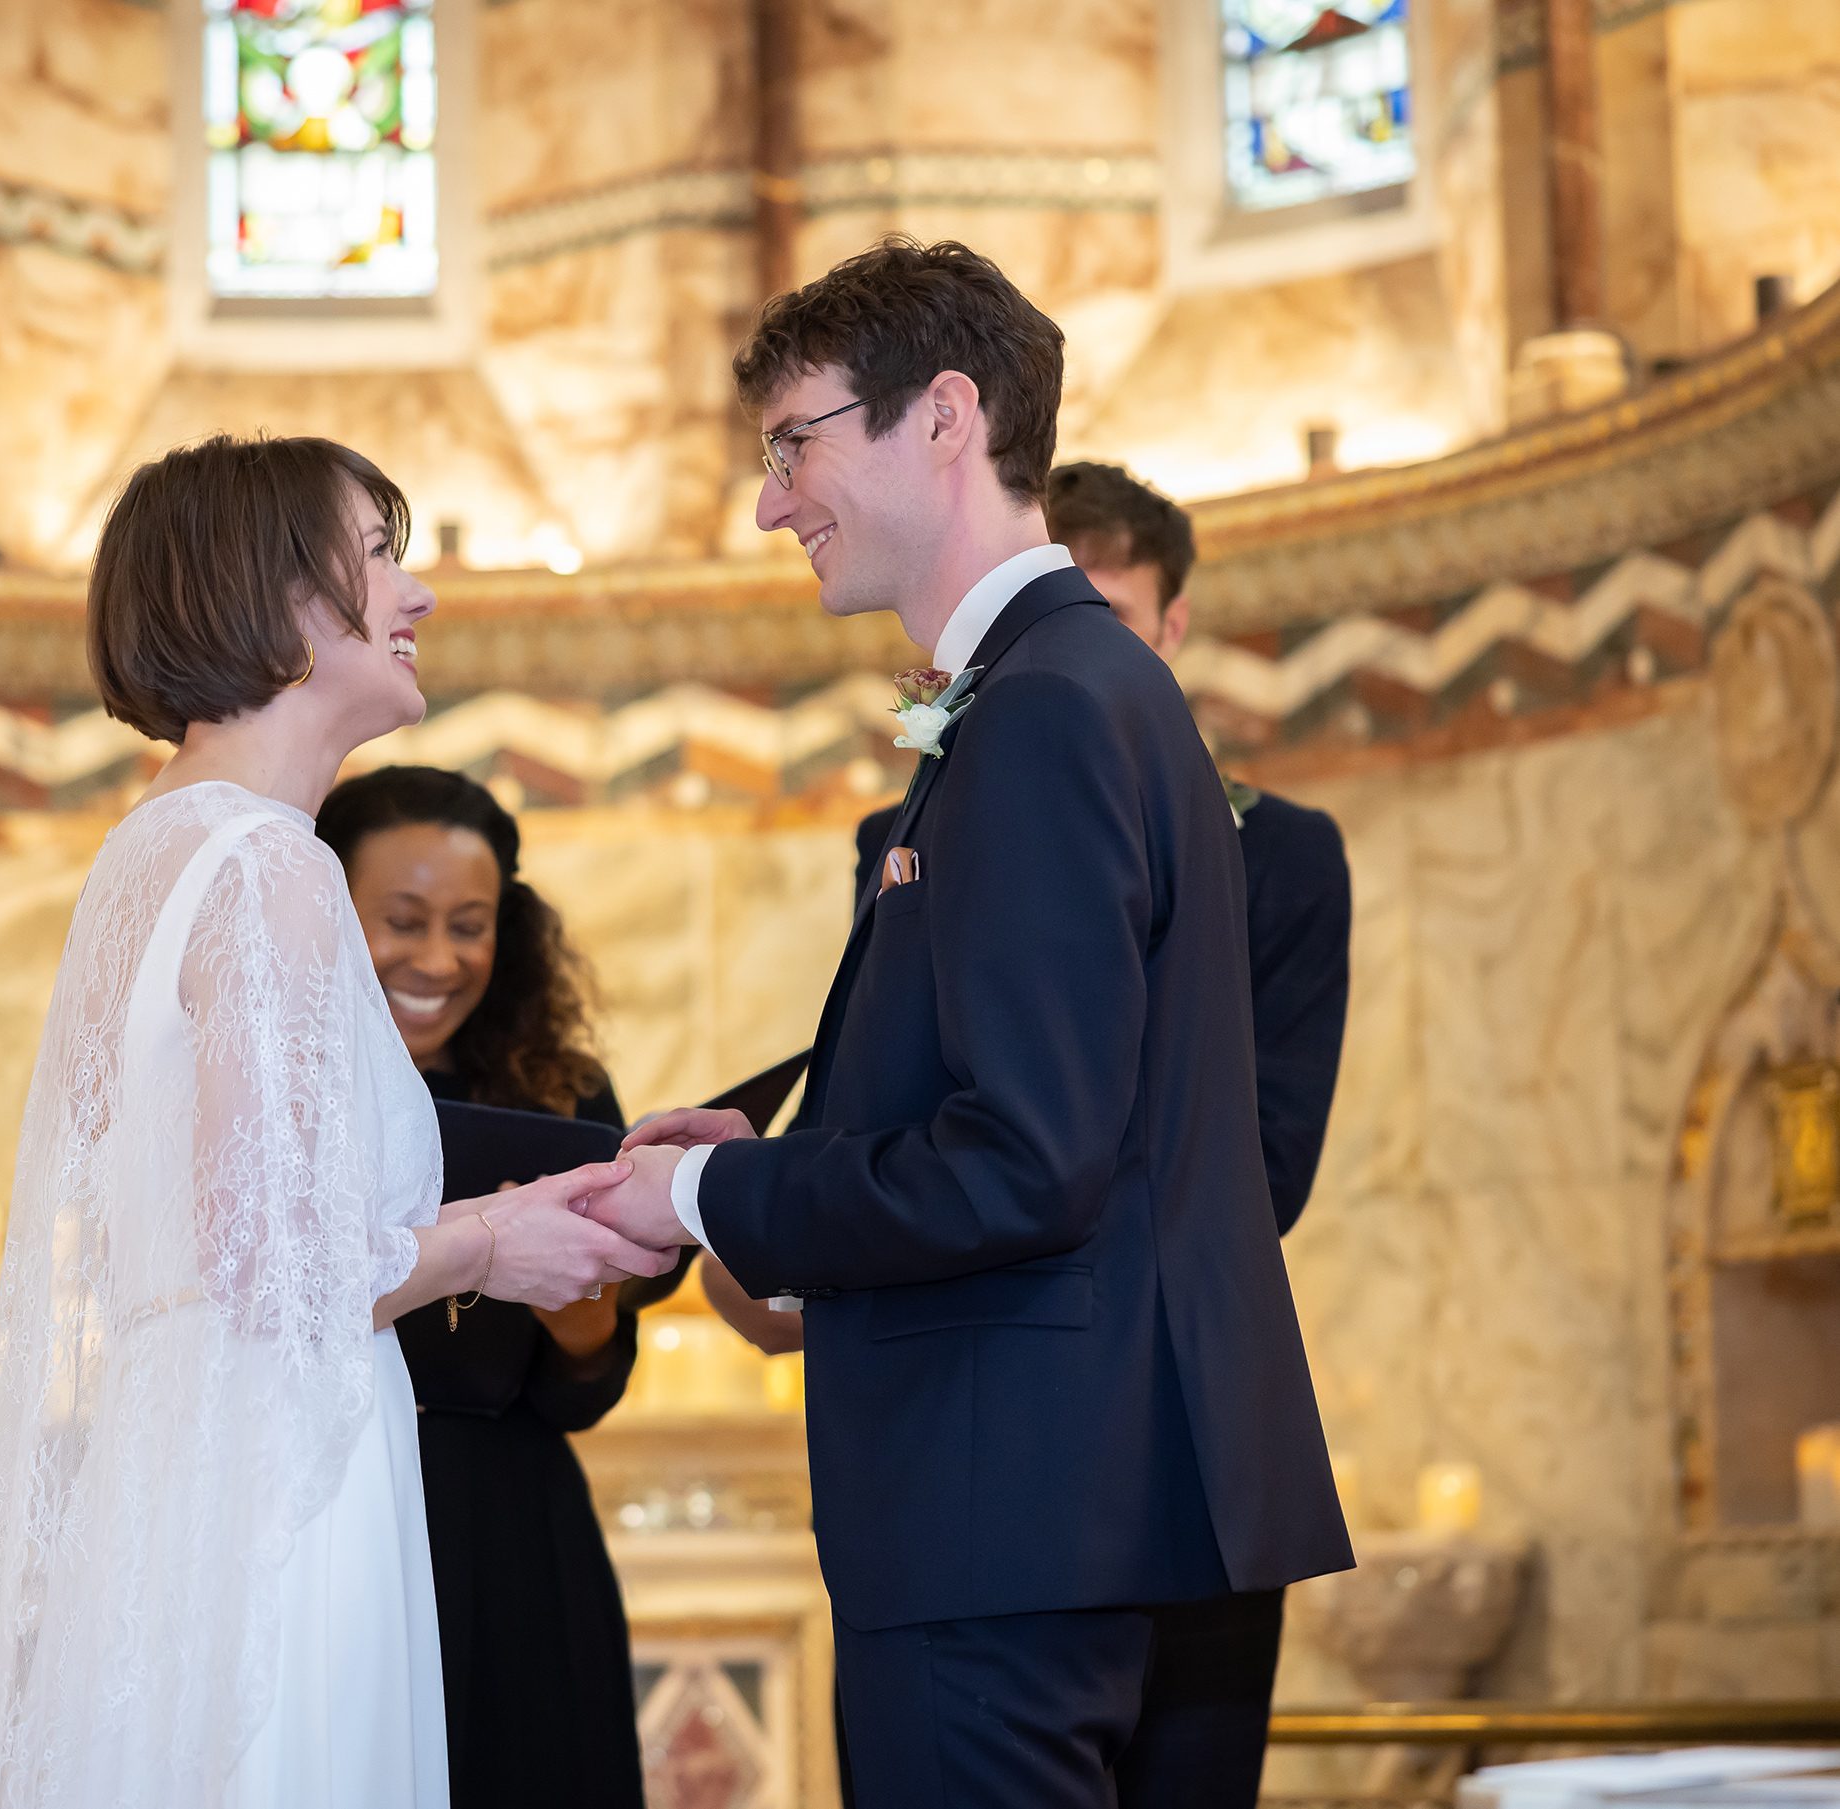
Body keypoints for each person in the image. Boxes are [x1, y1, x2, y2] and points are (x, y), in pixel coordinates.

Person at [586, 238, 1353, 1809]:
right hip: (1103, 1502)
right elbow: (1082, 1107)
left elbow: (1025, 1158)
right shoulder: (1079, 689)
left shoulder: (1045, 709)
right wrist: (790, 1145)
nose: (770, 501)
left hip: (1013, 1518)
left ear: (943, 417)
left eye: (794, 443)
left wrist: (703, 1196)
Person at [0, 435, 671, 1809]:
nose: (417, 593)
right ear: (275, 602)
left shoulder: (161, 847)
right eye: (380, 555)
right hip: (281, 1498)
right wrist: (499, 1242)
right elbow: (277, 1267)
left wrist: (531, 1205)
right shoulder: (266, 863)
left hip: (191, 1477)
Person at [815, 459, 1354, 1808]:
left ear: (1172, 630)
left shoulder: (1279, 854)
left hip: (1185, 1432)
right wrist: (794, 1222)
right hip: (1013, 1454)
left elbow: (1258, 1168)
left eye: (1118, 620)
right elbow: (915, 1102)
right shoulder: (914, 822)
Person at [314, 765, 658, 1809]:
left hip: (515, 1532)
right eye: (401, 921)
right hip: (331, 1521)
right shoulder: (274, 1086)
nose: (437, 959)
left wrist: (583, 1316)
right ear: (322, 913)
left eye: (470, 924)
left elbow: (583, 1392)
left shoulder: (560, 1094)